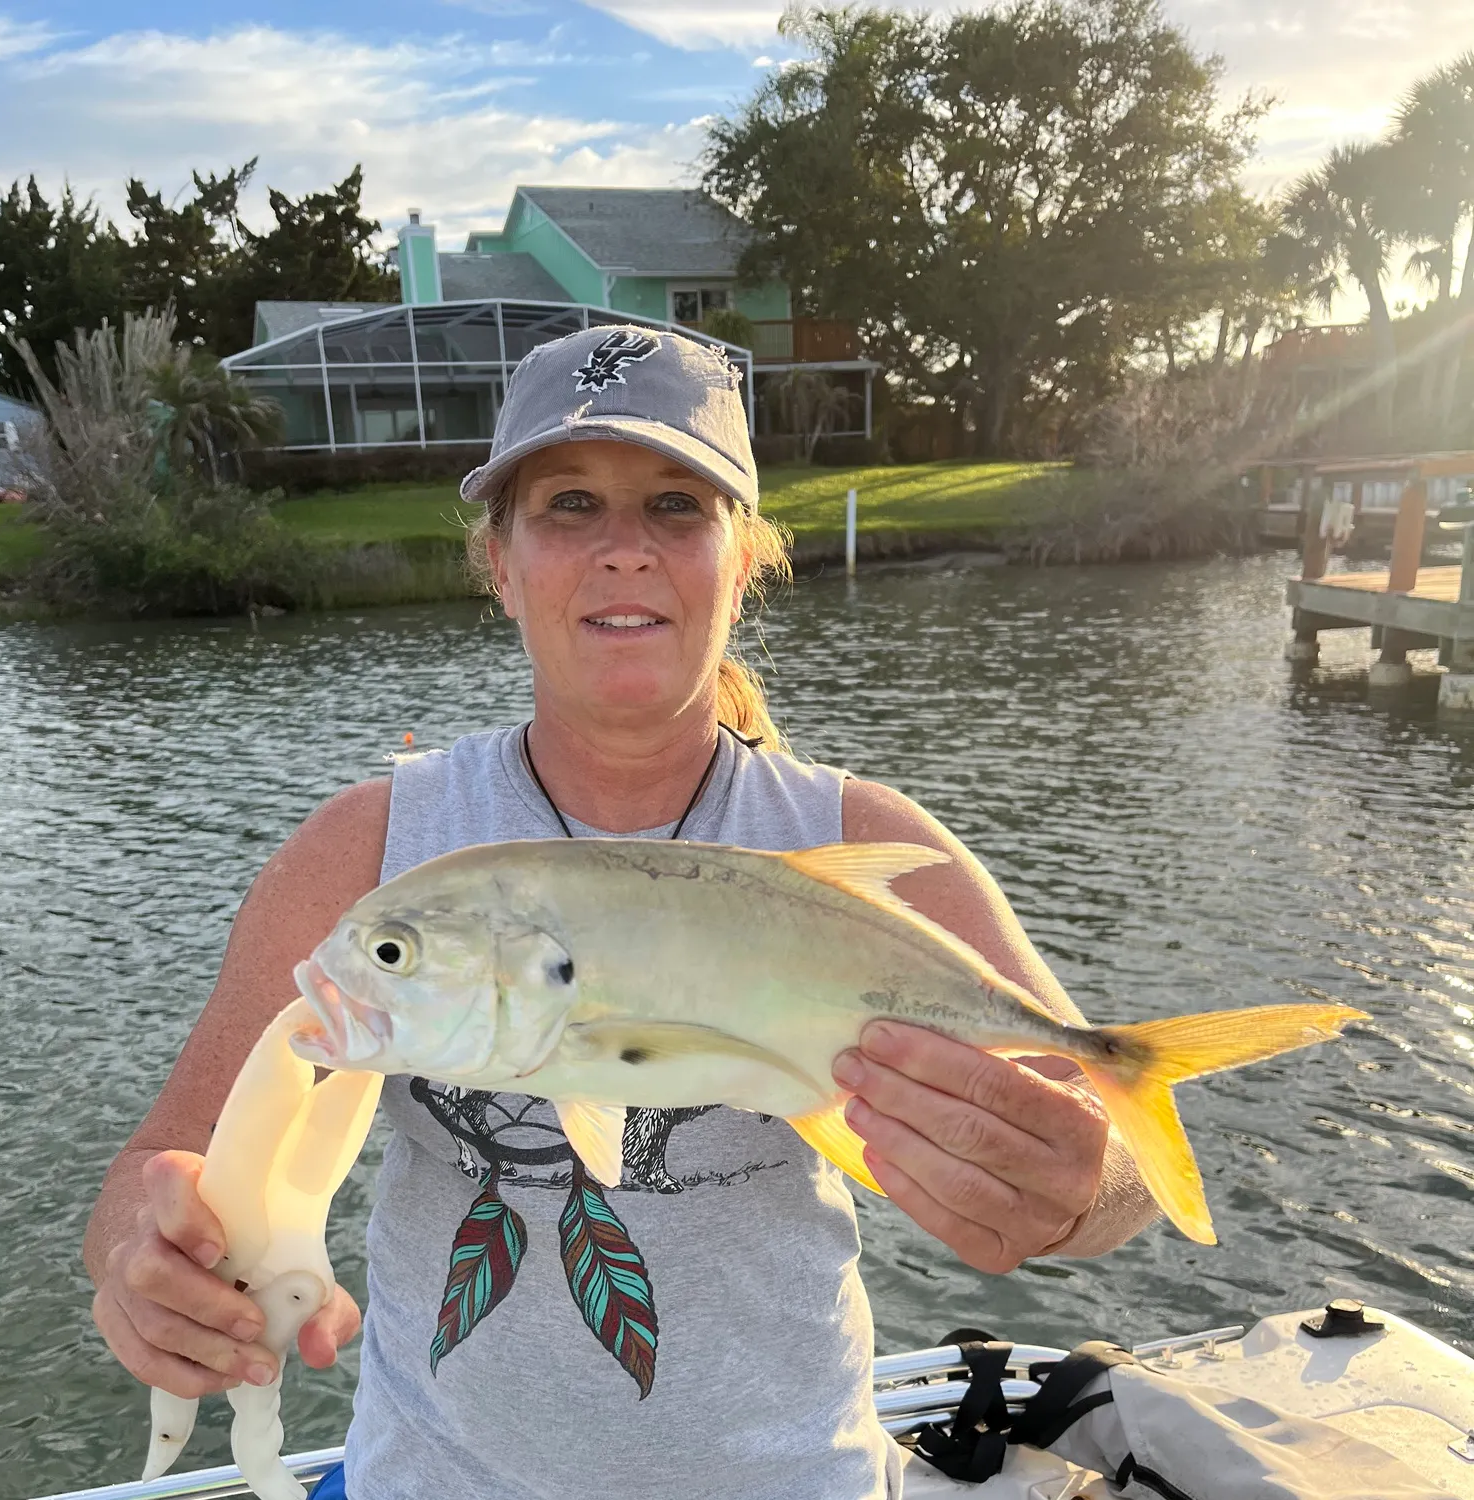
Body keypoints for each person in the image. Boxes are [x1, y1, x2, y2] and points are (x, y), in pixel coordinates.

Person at [85, 326, 1157, 1500]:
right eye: (570, 505)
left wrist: (1076, 1187)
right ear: (499, 563)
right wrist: (152, 1261)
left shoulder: (861, 840)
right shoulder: (370, 848)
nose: (625, 552)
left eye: (678, 507)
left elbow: (1114, 1155)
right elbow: (161, 1160)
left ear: (742, 562)